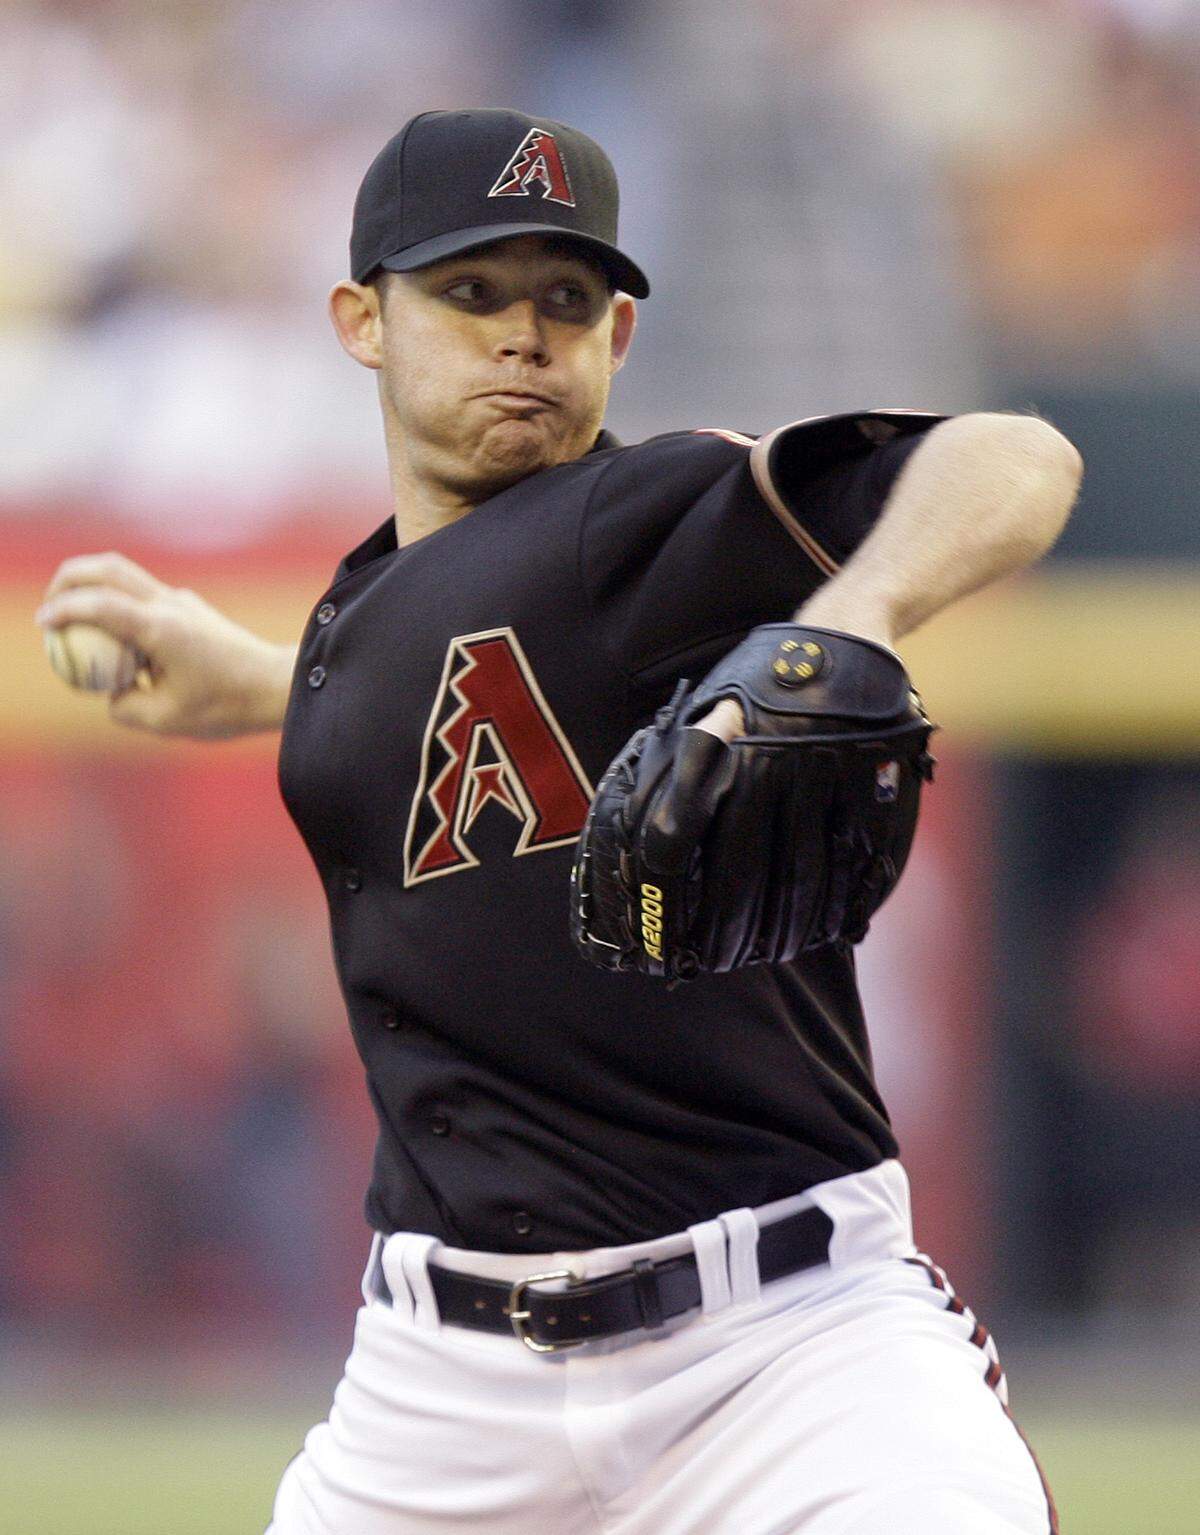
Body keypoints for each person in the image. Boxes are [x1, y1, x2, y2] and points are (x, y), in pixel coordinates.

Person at [37, 110, 1080, 1534]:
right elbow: (476, 693)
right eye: (470, 294)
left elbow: (1014, 459)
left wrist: (841, 621)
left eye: (567, 300)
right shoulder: (357, 623)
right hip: (439, 1395)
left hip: (782, 1355)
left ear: (622, 338)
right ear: (360, 321)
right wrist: (266, 683)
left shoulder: (641, 520)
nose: (525, 336)